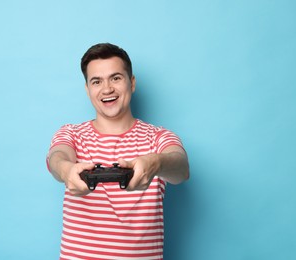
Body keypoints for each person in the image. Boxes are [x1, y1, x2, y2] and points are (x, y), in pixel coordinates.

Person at [46, 43, 189, 260]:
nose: (107, 89)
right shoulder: (72, 134)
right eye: (96, 81)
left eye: (116, 78)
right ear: (87, 89)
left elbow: (181, 168)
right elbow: (57, 157)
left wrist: (155, 163)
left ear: (131, 83)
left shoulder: (158, 138)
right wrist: (66, 170)